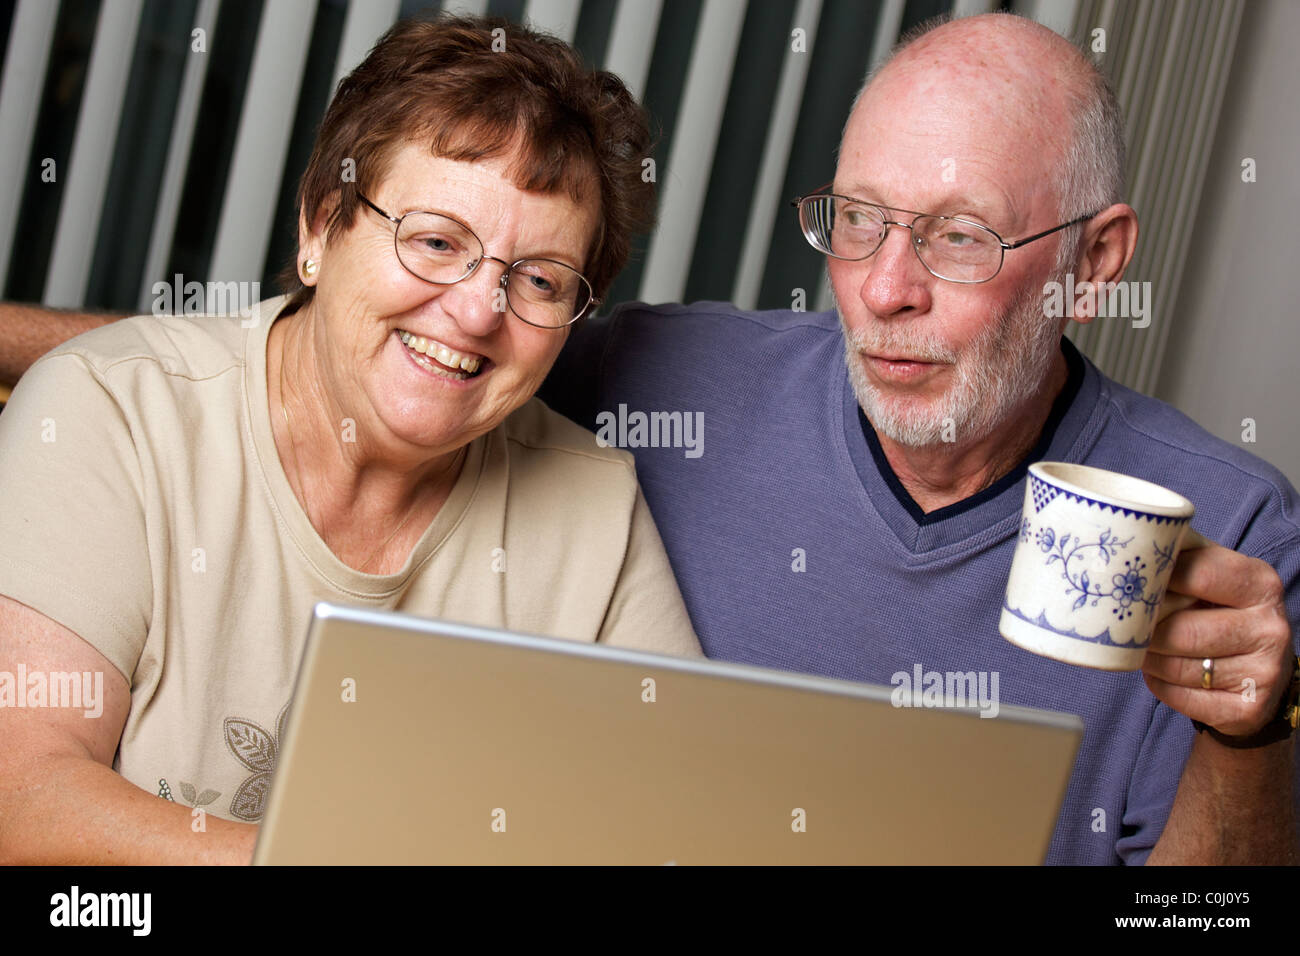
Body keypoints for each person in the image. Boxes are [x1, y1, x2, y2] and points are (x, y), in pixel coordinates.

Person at [541, 13, 1298, 864]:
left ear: (1090, 266)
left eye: (961, 236)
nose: (886, 289)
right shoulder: (659, 380)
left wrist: (1248, 738)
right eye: (859, 220)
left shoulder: (1235, 530)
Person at [0, 14, 699, 865]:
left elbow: (685, 831)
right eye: (437, 241)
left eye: (541, 280)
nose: (479, 313)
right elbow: (24, 797)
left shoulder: (594, 509)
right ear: (321, 226)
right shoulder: (110, 411)